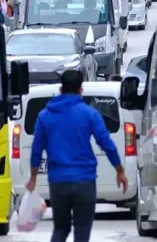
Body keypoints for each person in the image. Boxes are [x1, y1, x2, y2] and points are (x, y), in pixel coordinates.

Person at [27, 70, 127, 242]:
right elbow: (106, 143)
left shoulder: (45, 116)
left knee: (60, 228)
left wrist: (33, 177)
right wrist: (119, 170)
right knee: (82, 230)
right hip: (84, 181)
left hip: (58, 181)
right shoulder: (89, 114)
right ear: (80, 90)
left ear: (60, 89)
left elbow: (37, 149)